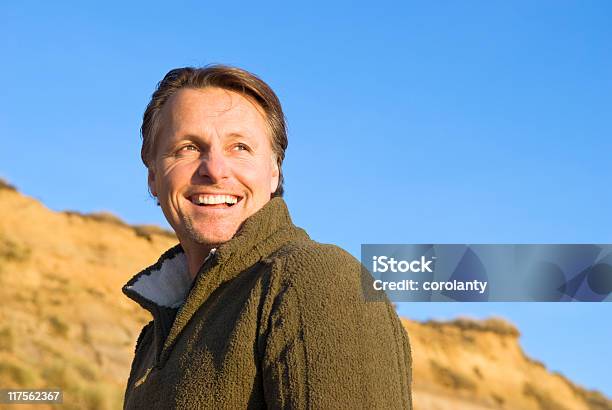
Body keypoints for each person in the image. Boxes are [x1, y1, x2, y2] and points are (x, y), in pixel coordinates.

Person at [122, 65, 413, 409]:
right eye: (187, 148)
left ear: (274, 172)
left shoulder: (315, 279)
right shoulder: (153, 340)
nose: (214, 170)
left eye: (240, 147)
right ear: (153, 177)